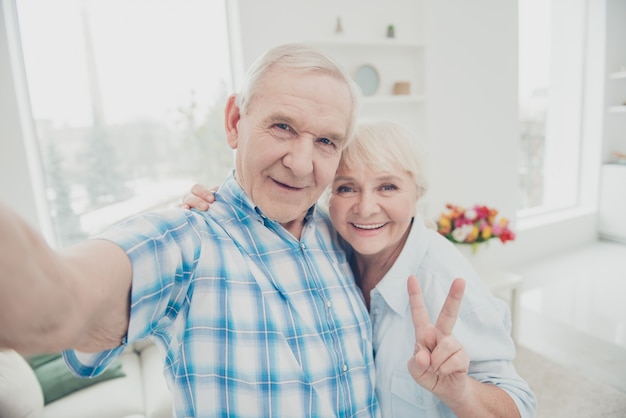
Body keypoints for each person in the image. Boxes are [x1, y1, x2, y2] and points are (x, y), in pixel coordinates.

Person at [0, 43, 380, 417]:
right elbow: (67, 294)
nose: (300, 164)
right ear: (235, 122)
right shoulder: (186, 241)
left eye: (326, 141)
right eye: (283, 127)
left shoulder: (344, 237)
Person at [184, 120, 537, 417]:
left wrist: (461, 392)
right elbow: (265, 215)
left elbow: (520, 406)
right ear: (328, 198)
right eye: (347, 187)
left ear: (417, 194)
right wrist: (215, 205)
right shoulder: (327, 239)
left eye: (388, 186)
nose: (366, 208)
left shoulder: (444, 282)